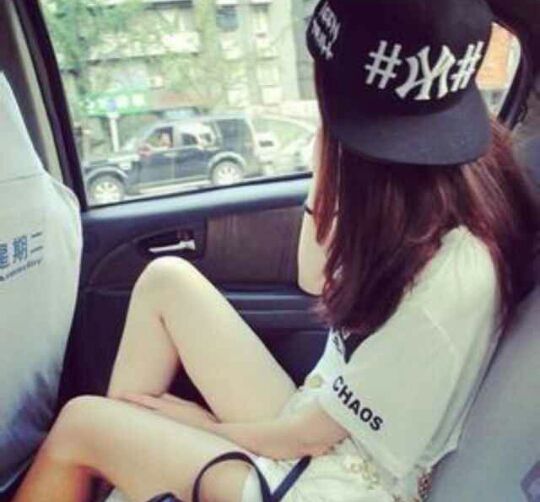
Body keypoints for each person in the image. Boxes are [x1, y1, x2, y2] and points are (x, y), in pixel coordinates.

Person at [14, 0, 539, 501]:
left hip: (335, 485)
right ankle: (120, 471)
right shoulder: (427, 195)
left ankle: (109, 458)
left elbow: (309, 438)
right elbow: (314, 276)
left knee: (81, 425)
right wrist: (329, 156)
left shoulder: (452, 276)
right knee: (165, 281)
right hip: (321, 424)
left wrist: (208, 429)